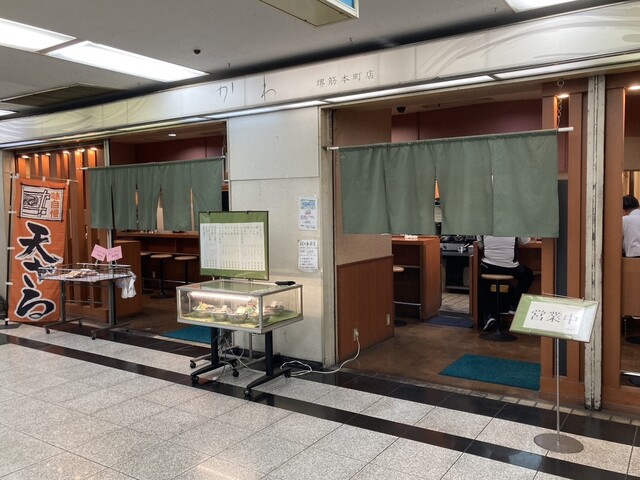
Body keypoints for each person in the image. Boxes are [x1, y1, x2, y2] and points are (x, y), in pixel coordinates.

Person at [477, 235, 534, 331]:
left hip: (488, 266)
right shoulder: (515, 226)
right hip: (510, 268)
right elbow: (524, 241)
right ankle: (514, 305)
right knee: (528, 275)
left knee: (483, 282)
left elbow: (480, 246)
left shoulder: (483, 226)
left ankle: (488, 315)